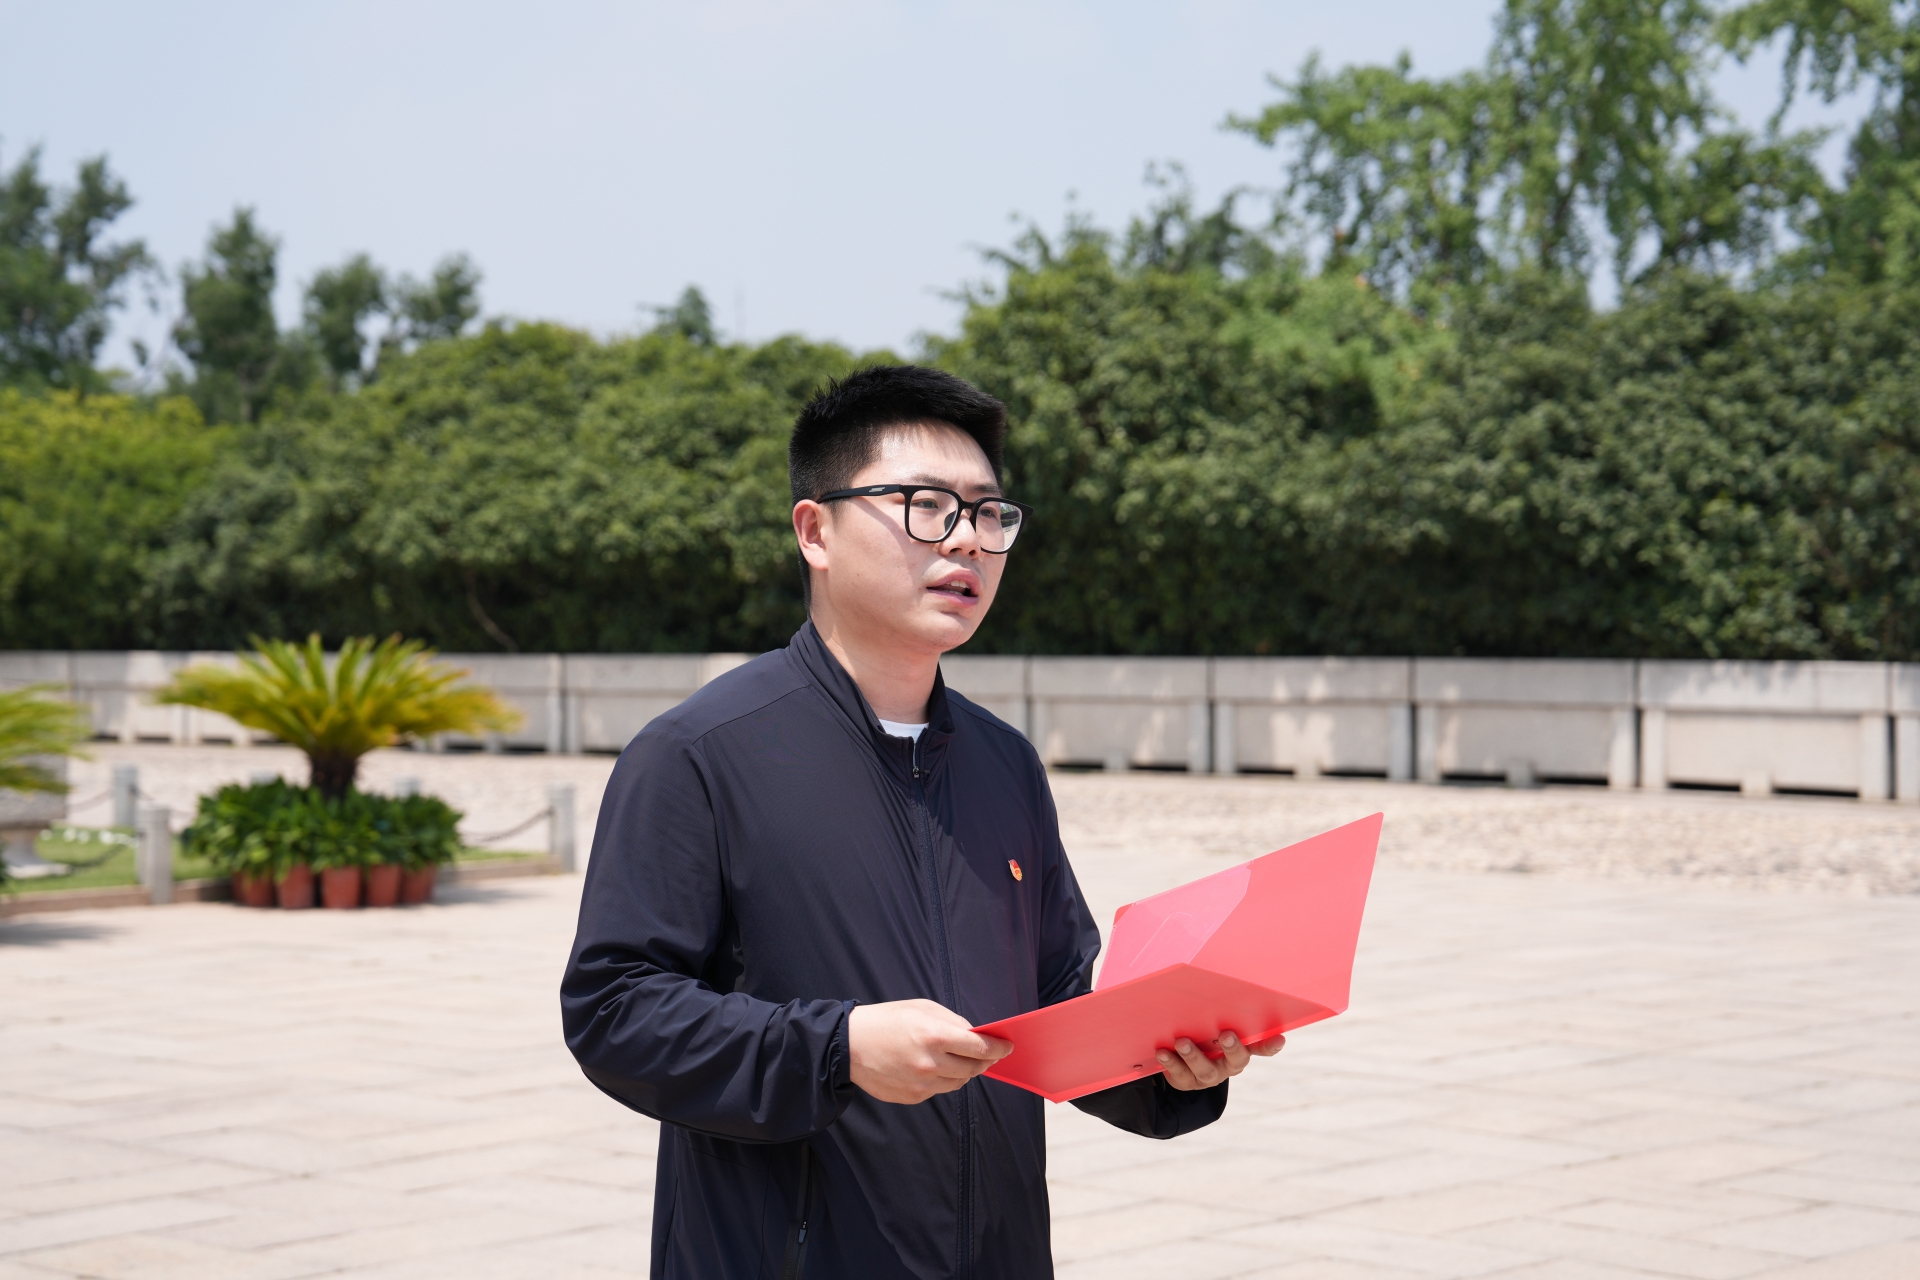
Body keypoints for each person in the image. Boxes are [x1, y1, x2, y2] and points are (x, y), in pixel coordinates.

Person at [560, 365, 1282, 1279]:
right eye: (926, 506)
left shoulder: (1005, 763)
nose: (968, 540)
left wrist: (1165, 1061)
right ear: (815, 531)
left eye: (988, 513)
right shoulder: (700, 753)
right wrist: (838, 1049)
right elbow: (616, 1010)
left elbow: (1057, 998)